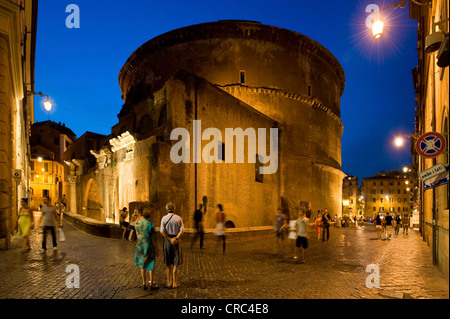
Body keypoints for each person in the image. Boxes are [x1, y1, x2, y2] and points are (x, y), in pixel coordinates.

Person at [160, 202, 184, 288]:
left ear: (167, 209)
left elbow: (162, 231)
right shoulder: (178, 218)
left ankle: (169, 282)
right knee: (175, 262)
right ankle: (175, 283)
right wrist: (176, 238)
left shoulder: (164, 218)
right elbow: (182, 230)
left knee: (168, 263)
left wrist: (170, 239)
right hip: (176, 241)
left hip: (167, 241)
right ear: (174, 209)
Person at [134, 208, 159, 290]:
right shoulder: (150, 224)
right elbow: (154, 238)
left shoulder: (139, 223)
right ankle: (151, 283)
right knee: (151, 263)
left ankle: (144, 283)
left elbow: (137, 234)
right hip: (148, 245)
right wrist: (156, 249)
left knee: (142, 263)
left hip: (140, 245)